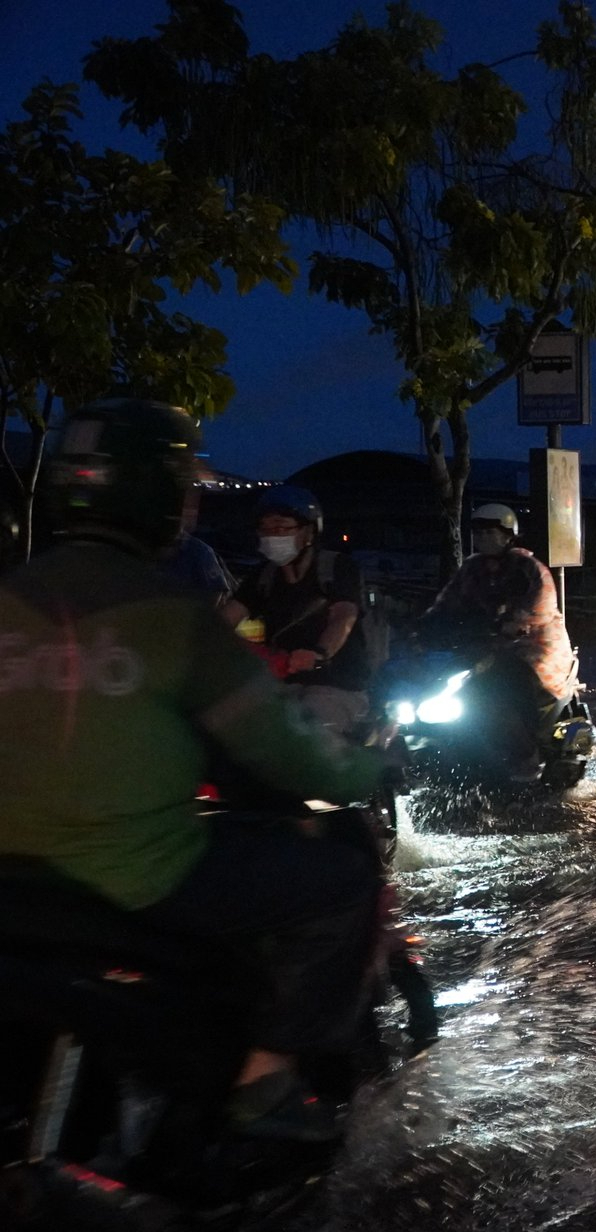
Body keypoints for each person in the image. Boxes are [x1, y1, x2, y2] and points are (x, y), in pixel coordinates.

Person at [0, 399, 386, 1143]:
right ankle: (265, 1085)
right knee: (342, 884)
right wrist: (366, 767)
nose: (190, 505)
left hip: (13, 875)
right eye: (182, 488)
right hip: (133, 874)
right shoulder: (174, 612)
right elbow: (293, 754)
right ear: (151, 494)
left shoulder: (12, 594)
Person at [421, 503, 579, 776]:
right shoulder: (471, 568)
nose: (481, 537)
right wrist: (422, 627)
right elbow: (446, 603)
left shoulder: (529, 567)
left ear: (507, 535)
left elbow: (540, 605)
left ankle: (526, 753)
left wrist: (514, 623)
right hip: (486, 645)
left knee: (505, 685)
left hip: (534, 647)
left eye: (488, 531)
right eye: (478, 532)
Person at [222, 485, 372, 734]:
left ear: (309, 532)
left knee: (307, 735)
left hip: (336, 684)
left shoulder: (336, 568)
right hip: (280, 683)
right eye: (265, 529)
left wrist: (319, 653)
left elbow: (344, 616)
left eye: (281, 527)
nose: (272, 535)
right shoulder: (263, 576)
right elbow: (226, 617)